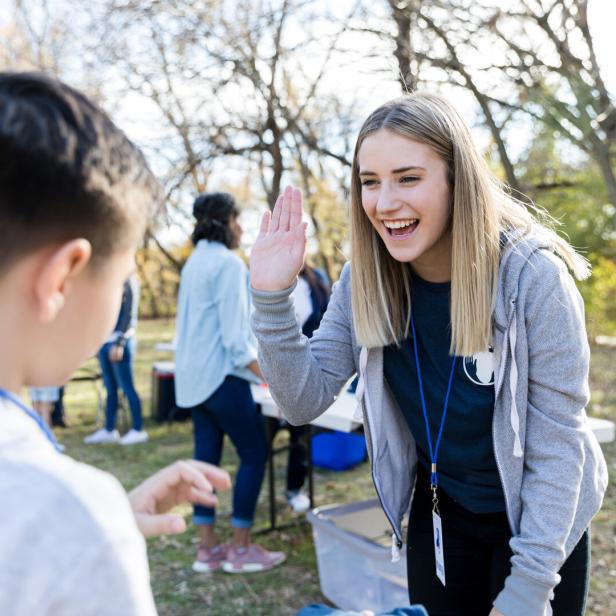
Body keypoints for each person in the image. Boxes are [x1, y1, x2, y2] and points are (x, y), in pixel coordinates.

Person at [249, 94, 608, 616]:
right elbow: (302, 401)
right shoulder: (363, 280)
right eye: (369, 182)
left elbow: (559, 443)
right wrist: (271, 299)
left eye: (408, 178)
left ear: (457, 180)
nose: (384, 202)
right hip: (442, 511)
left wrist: (529, 588)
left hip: (539, 523)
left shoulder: (532, 279)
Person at [0, 72, 231, 615]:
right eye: (123, 273)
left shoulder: (64, 519)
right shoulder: (66, 512)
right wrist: (87, 530)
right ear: (64, 277)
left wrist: (102, 526)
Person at [175, 192, 286, 574]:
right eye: (239, 219)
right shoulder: (227, 264)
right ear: (226, 221)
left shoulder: (193, 264)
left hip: (193, 383)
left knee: (204, 464)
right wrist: (270, 376)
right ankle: (240, 549)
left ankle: (207, 551)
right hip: (223, 379)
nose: (242, 227)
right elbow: (236, 340)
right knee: (255, 455)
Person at [284, 264, 331, 512]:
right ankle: (293, 489)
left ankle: (294, 489)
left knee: (298, 435)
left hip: (306, 370)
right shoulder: (271, 277)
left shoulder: (313, 279)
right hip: (284, 372)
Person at [84, 275, 148, 445]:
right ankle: (109, 429)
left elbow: (129, 314)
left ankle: (138, 429)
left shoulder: (130, 280)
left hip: (121, 343)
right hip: (106, 342)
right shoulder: (111, 278)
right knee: (110, 389)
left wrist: (120, 342)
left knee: (127, 387)